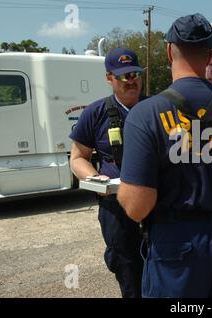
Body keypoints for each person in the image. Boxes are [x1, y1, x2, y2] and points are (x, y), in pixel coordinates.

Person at [117, 13, 212, 298]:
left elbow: (137, 207)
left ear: (168, 51)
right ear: (211, 55)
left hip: (176, 249)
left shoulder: (145, 115)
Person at [69, 47, 145, 298]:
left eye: (135, 73)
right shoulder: (96, 112)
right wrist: (93, 176)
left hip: (157, 204)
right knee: (128, 268)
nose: (131, 80)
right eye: (124, 76)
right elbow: (78, 157)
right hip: (116, 208)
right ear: (109, 78)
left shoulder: (156, 108)